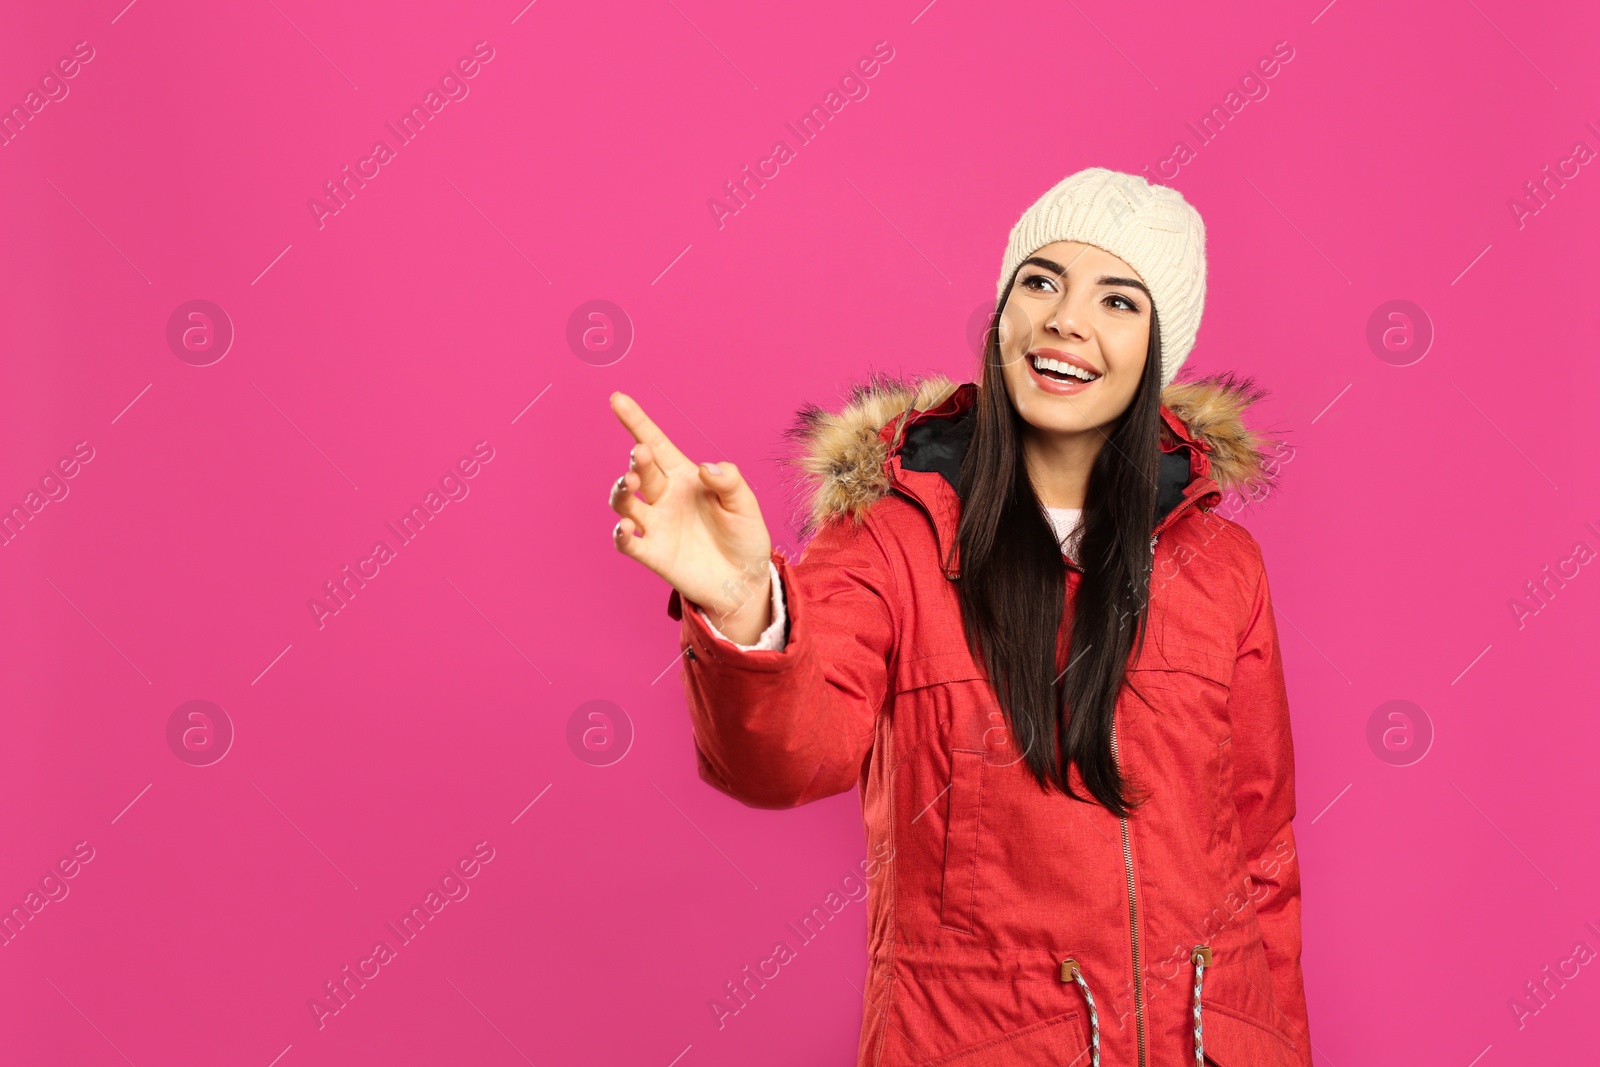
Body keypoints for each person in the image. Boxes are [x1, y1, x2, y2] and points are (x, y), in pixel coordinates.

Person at [608, 167, 1310, 1067]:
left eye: (1119, 301)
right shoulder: (892, 534)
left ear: (1158, 353)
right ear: (1004, 310)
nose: (1066, 319)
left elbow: (1262, 854)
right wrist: (743, 604)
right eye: (1042, 281)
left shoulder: (1222, 566)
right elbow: (790, 756)